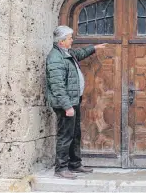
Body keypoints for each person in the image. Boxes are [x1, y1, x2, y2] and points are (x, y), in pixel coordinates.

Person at [45, 25, 106, 179]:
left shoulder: (66, 53)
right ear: (61, 42)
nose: (72, 40)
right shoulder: (55, 58)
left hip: (73, 101)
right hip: (66, 104)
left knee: (75, 134)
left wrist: (94, 48)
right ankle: (61, 168)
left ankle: (75, 164)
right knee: (65, 136)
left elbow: (79, 53)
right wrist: (67, 106)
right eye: (70, 38)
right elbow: (57, 86)